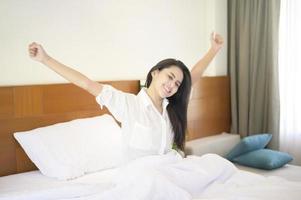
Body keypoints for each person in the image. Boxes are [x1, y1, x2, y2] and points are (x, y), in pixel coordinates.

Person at [28, 33, 224, 162]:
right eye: (169, 77)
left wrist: (214, 50)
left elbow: (193, 76)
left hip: (170, 171)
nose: (172, 85)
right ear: (155, 72)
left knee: (217, 166)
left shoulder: (170, 108)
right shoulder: (128, 104)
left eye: (177, 84)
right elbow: (87, 83)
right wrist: (45, 59)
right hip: (142, 178)